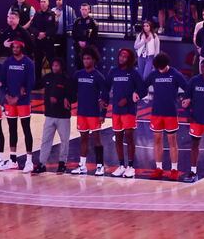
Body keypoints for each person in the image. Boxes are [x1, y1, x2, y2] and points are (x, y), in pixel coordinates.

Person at [144, 52, 188, 180]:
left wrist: (186, 99)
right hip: (156, 112)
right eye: (158, 68)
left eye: (162, 68)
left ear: (167, 64)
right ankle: (159, 168)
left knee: (172, 141)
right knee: (157, 140)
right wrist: (136, 93)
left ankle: (174, 169)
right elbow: (142, 86)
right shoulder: (154, 74)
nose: (160, 70)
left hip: (171, 113)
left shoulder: (175, 74)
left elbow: (187, 88)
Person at [103, 48, 146, 178]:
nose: (122, 58)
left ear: (130, 59)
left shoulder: (133, 73)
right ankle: (121, 165)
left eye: (125, 56)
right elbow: (106, 88)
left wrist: (129, 99)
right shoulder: (113, 72)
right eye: (120, 55)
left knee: (129, 137)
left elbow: (143, 90)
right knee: (118, 138)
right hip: (116, 110)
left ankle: (131, 167)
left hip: (129, 110)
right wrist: (104, 102)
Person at [70, 47, 107, 176]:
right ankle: (82, 165)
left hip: (94, 113)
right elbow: (72, 91)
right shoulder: (78, 74)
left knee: (96, 139)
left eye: (88, 58)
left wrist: (103, 113)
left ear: (94, 60)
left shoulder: (98, 76)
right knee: (83, 139)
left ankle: (100, 166)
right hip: (81, 112)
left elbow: (105, 96)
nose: (86, 61)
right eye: (84, 58)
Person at [34, 57, 74, 174]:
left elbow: (73, 96)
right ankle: (42, 163)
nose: (54, 67)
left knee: (64, 141)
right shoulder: (47, 78)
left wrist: (67, 98)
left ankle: (62, 163)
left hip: (63, 116)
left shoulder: (67, 79)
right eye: (53, 65)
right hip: (49, 115)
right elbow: (36, 85)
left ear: (61, 66)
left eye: (57, 65)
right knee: (46, 140)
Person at [0, 41, 36, 173]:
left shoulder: (28, 63)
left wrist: (17, 98)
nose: (15, 49)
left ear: (22, 48)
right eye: (13, 47)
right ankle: (13, 160)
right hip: (10, 101)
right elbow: (2, 81)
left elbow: (31, 83)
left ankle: (29, 160)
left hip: (23, 101)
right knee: (12, 129)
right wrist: (6, 97)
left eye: (17, 47)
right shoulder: (7, 62)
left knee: (26, 129)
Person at [29, 0, 57, 85]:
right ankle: (38, 82)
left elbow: (54, 28)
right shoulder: (37, 14)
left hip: (48, 41)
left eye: (44, 1)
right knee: (37, 62)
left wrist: (45, 34)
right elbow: (32, 27)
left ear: (48, 3)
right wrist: (38, 34)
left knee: (52, 61)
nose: (43, 3)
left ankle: (54, 81)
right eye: (41, 1)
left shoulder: (52, 15)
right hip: (38, 42)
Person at [72, 3, 99, 68]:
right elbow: (74, 33)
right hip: (78, 47)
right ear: (80, 10)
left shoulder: (93, 22)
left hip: (89, 48)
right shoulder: (77, 21)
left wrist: (86, 43)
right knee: (78, 64)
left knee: (89, 65)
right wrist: (79, 42)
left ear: (89, 10)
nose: (84, 11)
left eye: (85, 9)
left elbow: (94, 36)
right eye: (82, 9)